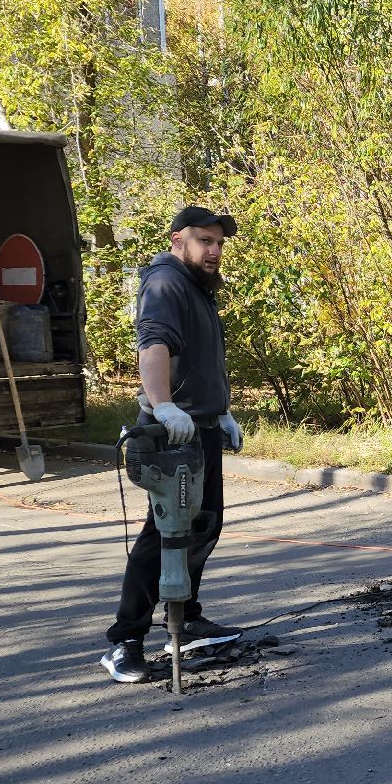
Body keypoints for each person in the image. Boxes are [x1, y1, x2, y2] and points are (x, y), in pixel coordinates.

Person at [101, 206, 249, 683]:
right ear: (176, 241)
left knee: (202, 526)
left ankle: (184, 623)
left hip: (199, 426)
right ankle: (126, 641)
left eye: (219, 243)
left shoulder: (198, 288)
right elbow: (154, 345)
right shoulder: (165, 283)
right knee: (165, 535)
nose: (214, 250)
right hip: (173, 433)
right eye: (204, 240)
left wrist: (219, 409)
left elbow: (201, 357)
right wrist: (163, 407)